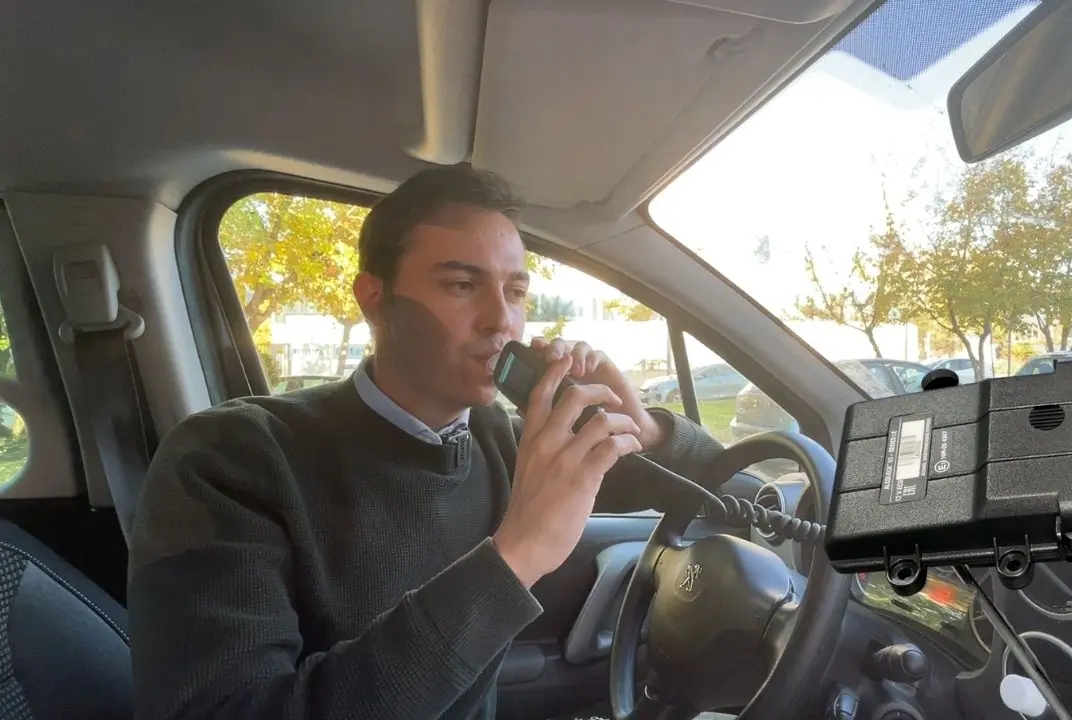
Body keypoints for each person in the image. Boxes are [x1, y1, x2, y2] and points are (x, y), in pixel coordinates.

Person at [128, 165, 726, 719]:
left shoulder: (507, 440)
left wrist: (644, 428)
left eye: (516, 292)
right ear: (375, 299)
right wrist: (516, 555)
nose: (502, 320)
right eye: (463, 285)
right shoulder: (230, 457)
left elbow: (729, 488)